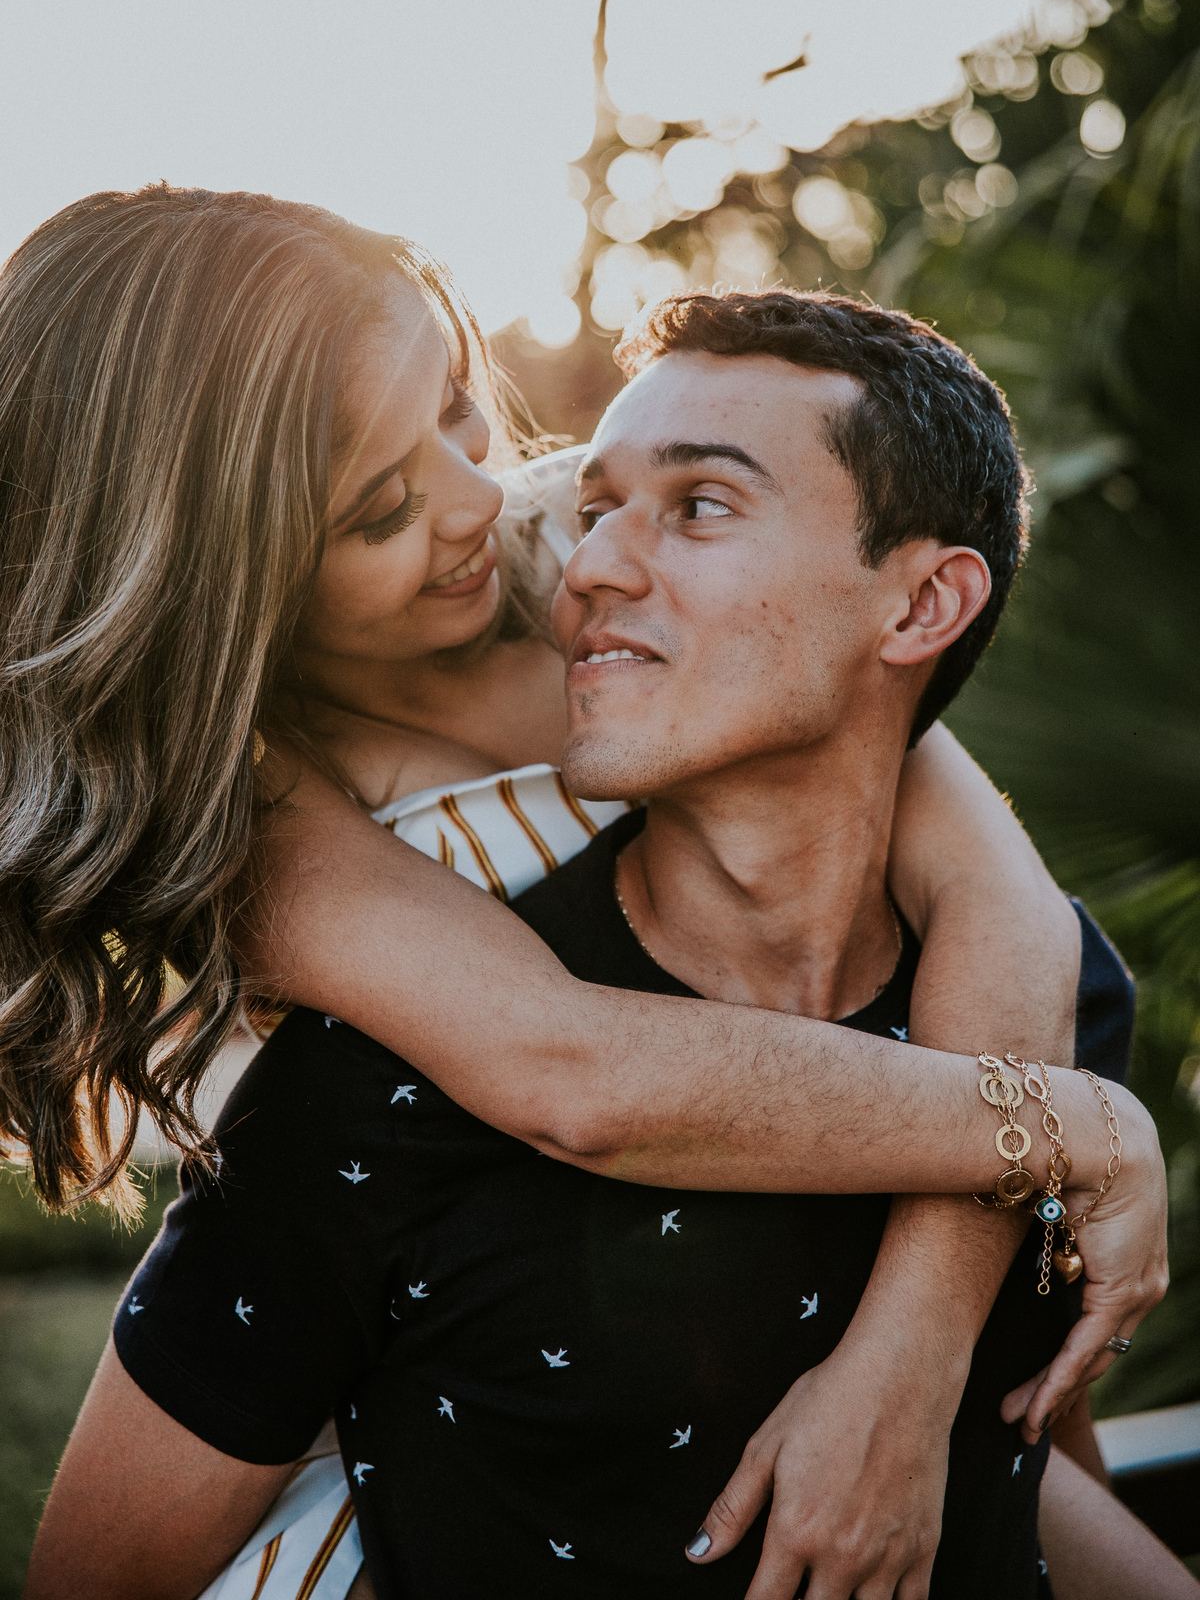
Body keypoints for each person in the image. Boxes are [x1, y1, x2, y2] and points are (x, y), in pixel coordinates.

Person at [18, 272, 1166, 1599]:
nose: (480, 499)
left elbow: (986, 873)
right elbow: (570, 1072)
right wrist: (1075, 1129)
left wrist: (913, 1354)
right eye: (381, 505)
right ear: (227, 573)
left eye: (458, 408)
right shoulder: (263, 832)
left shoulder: (574, 525)